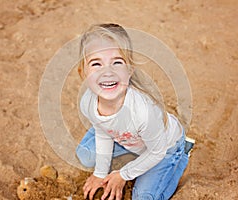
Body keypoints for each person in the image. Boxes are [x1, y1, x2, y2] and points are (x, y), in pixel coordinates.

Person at [75, 23, 193, 200]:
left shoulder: (143, 111)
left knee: (144, 197)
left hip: (163, 148)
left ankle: (182, 152)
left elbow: (156, 152)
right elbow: (103, 131)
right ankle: (131, 154)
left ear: (129, 70)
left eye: (117, 62)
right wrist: (100, 173)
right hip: (131, 139)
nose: (107, 72)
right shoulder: (88, 102)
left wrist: (123, 174)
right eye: (96, 63)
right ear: (82, 72)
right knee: (85, 154)